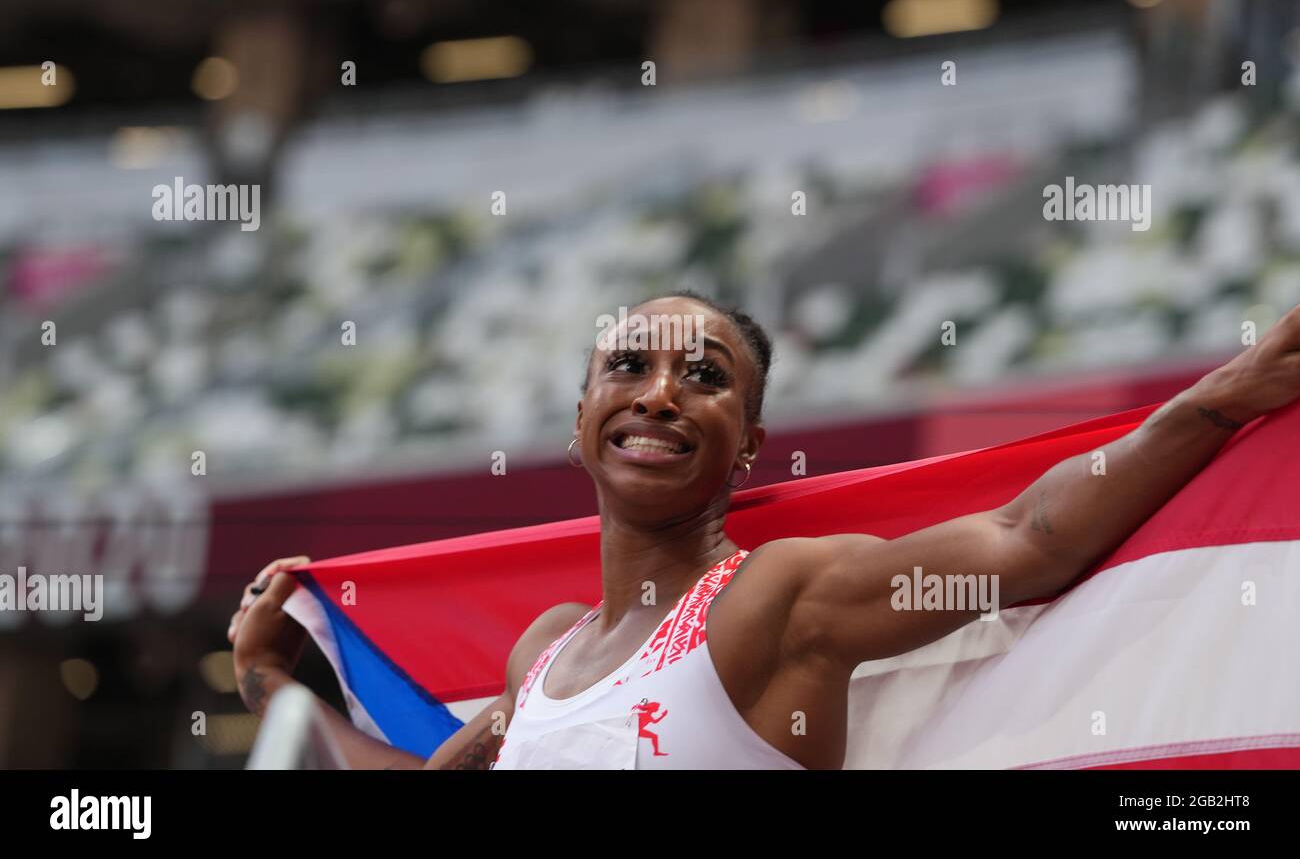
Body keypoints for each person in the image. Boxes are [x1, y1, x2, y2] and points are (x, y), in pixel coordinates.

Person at [229, 291, 1300, 769]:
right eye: (628, 365)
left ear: (745, 444)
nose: (658, 392)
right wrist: (270, 684)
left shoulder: (775, 599)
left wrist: (1219, 397)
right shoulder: (542, 651)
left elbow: (1029, 537)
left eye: (703, 377)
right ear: (578, 418)